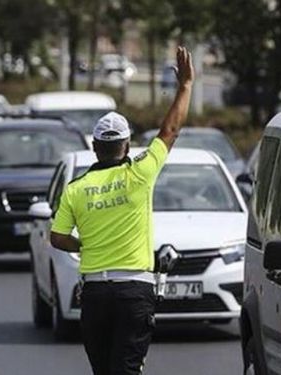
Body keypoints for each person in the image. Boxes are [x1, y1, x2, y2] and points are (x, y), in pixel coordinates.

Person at [50, 46, 194, 375]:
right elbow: (170, 131)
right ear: (127, 146)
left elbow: (57, 238)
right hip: (134, 292)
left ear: (94, 147)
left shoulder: (76, 189)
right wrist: (185, 86)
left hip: (95, 295)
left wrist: (85, 245)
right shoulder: (140, 173)